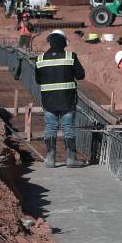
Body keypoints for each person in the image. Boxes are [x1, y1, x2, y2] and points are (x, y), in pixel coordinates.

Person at [34, 29, 85, 168]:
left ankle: (50, 159)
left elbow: (38, 80)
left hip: (48, 101)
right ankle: (71, 159)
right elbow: (81, 75)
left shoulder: (40, 59)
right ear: (63, 42)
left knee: (50, 127)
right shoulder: (70, 56)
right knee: (68, 128)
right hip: (67, 101)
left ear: (50, 42)